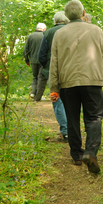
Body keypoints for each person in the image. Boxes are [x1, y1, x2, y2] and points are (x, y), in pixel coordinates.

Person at [49, 0, 103, 173]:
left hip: (67, 83)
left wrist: (53, 88)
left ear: (66, 15)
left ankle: (77, 154)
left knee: (72, 117)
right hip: (92, 81)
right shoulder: (96, 30)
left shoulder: (59, 34)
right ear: (83, 13)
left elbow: (53, 63)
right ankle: (91, 152)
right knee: (94, 117)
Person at [38, 11, 69, 142]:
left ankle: (65, 131)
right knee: (71, 101)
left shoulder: (48, 33)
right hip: (70, 70)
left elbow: (41, 55)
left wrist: (47, 66)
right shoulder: (72, 30)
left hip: (53, 71)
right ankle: (73, 130)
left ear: (55, 21)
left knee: (57, 100)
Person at [23, 22, 47, 101]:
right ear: (43, 29)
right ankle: (38, 97)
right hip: (42, 61)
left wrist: (27, 60)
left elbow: (26, 49)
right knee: (41, 78)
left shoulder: (30, 36)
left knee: (35, 77)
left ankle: (33, 92)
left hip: (33, 61)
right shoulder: (45, 35)